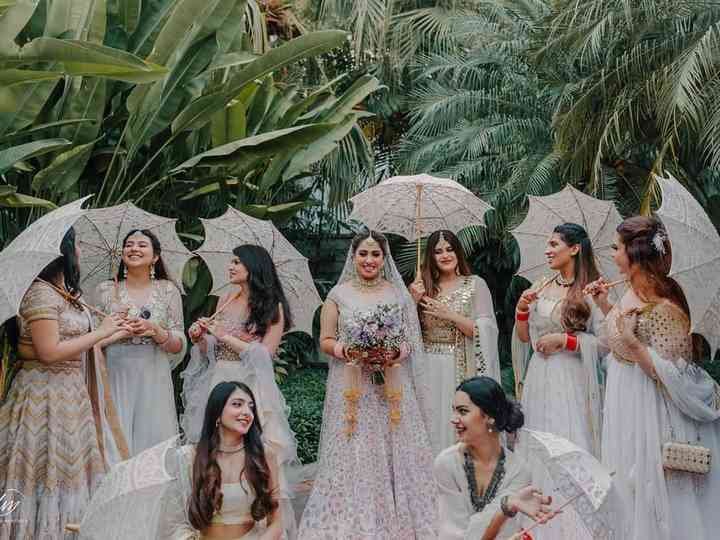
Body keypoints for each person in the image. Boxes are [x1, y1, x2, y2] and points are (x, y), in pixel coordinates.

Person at [586, 216, 720, 540]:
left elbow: (675, 374)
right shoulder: (628, 292)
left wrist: (634, 344)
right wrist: (604, 305)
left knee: (650, 489)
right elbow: (620, 338)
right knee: (626, 485)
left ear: (635, 253)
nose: (612, 254)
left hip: (651, 410)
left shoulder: (665, 308)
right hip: (624, 403)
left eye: (616, 248)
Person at [298, 230, 437, 539]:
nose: (369, 260)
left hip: (391, 385)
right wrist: (349, 351)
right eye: (363, 253)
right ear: (353, 256)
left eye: (376, 254)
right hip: (352, 386)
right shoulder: (338, 295)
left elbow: (409, 341)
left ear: (384, 259)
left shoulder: (398, 295)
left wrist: (393, 353)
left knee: (393, 444)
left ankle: (397, 518)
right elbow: (326, 340)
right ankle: (352, 519)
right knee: (355, 446)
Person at [0, 228, 128, 539]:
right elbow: (49, 352)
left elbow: (78, 344)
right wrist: (101, 332)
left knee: (70, 471)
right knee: (41, 470)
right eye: (78, 244)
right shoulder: (40, 294)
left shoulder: (64, 294)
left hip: (72, 395)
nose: (81, 250)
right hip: (43, 395)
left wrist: (117, 330)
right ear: (65, 252)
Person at [181, 245, 299, 536]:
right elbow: (213, 351)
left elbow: (265, 355)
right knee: (213, 446)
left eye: (237, 262)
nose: (231, 267)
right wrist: (201, 338)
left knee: (258, 450)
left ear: (253, 266)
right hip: (219, 381)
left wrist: (224, 335)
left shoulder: (273, 306)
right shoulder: (226, 298)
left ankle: (265, 526)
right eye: (231, 261)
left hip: (250, 386)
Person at [511, 223, 604, 540]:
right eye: (547, 244)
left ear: (574, 249)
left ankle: (575, 525)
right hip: (539, 375)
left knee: (568, 440)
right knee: (537, 443)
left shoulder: (591, 290)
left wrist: (567, 341)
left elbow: (606, 344)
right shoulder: (541, 284)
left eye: (554, 244)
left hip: (570, 377)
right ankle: (536, 523)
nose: (547, 250)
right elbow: (524, 337)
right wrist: (522, 309)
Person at [95, 229, 186, 456]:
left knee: (153, 442)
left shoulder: (168, 290)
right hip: (115, 371)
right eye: (129, 244)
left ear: (155, 257)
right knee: (115, 440)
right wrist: (118, 331)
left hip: (154, 373)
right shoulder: (106, 290)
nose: (134, 248)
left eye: (142, 245)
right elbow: (92, 340)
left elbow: (178, 344)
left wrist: (155, 330)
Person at [409, 229, 500, 454]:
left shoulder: (475, 284)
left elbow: (485, 331)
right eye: (438, 251)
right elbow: (407, 334)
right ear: (430, 257)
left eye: (449, 249)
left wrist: (449, 315)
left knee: (457, 420)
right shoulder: (422, 288)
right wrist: (411, 302)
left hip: (460, 368)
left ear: (458, 252)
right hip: (427, 368)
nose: (445, 255)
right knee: (430, 424)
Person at [434, 376, 554, 540]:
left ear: (489, 417)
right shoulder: (447, 463)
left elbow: (501, 534)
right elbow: (453, 535)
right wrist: (506, 506)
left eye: (462, 411)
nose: (453, 419)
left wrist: (507, 506)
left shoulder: (519, 471)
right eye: (453, 410)